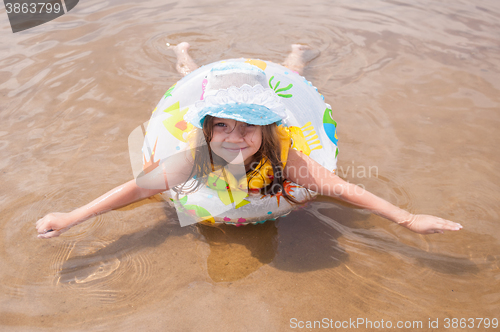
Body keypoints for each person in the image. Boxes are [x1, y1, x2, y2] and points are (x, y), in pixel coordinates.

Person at [36, 42, 462, 239]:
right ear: (207, 130)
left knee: (291, 75)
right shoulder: (195, 157)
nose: (235, 138)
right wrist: (70, 217)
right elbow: (134, 189)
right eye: (222, 127)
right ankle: (183, 53)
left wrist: (408, 220)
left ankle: (296, 53)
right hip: (210, 84)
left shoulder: (286, 156)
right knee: (189, 76)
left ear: (264, 131)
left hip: (265, 85)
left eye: (247, 128)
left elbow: (347, 190)